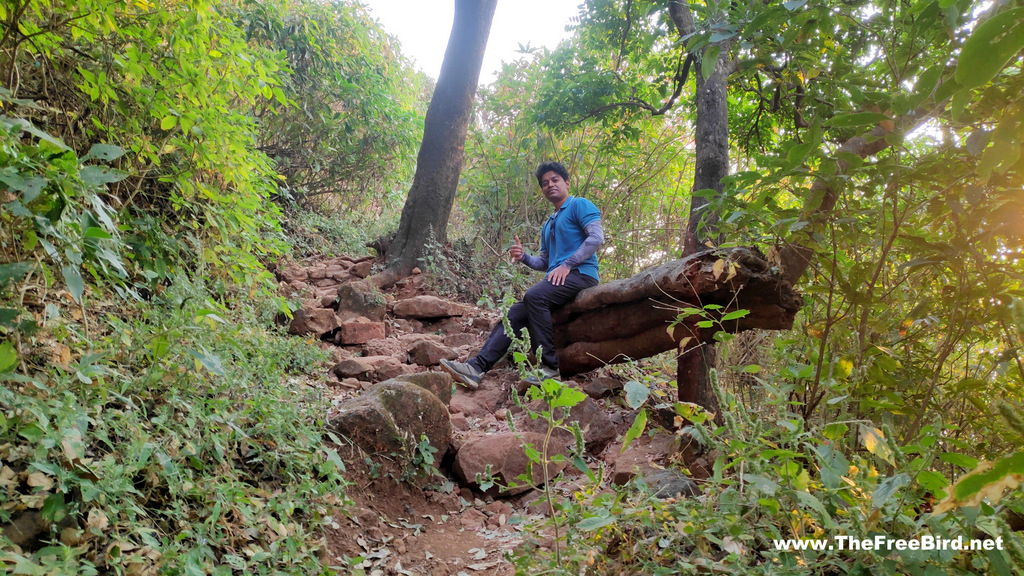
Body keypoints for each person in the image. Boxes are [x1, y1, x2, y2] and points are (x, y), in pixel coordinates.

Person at [441, 161, 604, 388]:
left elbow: (596, 238)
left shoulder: (580, 205)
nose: (550, 185)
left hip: (581, 274)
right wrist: (524, 257)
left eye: (555, 180)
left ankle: (549, 368)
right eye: (545, 183)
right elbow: (545, 261)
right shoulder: (548, 224)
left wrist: (567, 264)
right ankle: (476, 368)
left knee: (534, 296)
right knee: (514, 314)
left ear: (567, 182)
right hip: (559, 278)